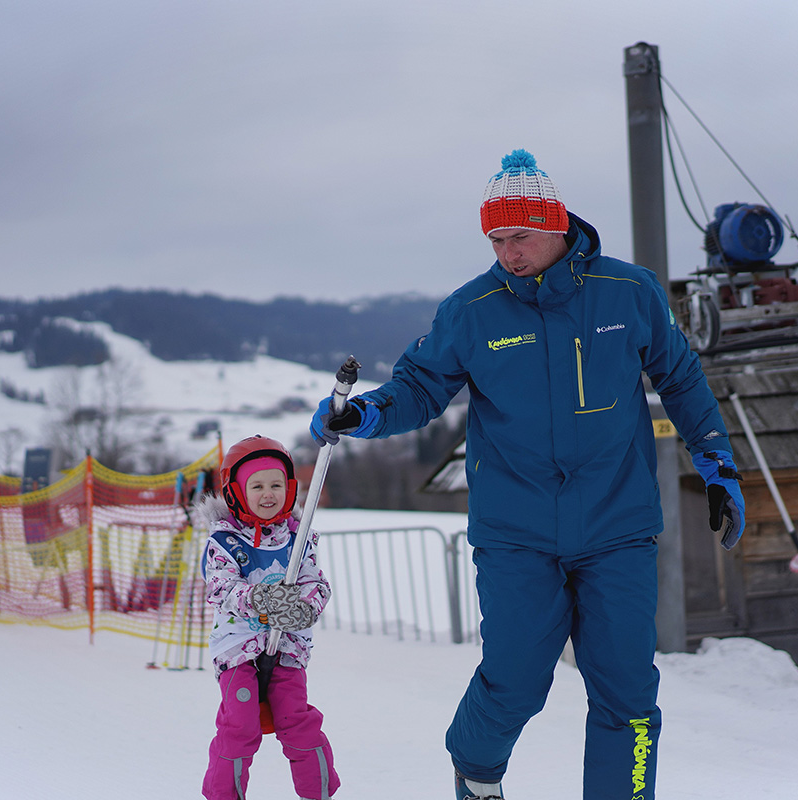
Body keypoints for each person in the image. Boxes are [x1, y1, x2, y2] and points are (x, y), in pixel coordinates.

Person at [310, 150, 744, 800]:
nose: (508, 253)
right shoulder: (472, 309)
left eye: (519, 236)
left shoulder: (630, 292)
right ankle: (477, 772)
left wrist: (716, 462)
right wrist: (366, 414)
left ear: (555, 223)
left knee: (627, 689)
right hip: (516, 530)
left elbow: (680, 378)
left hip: (617, 524)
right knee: (514, 678)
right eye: (496, 240)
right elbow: (420, 387)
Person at [199, 435, 339, 800]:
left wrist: (305, 606)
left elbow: (315, 582)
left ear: (289, 489)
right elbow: (220, 587)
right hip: (239, 650)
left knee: (298, 723)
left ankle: (318, 793)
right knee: (240, 727)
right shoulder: (225, 542)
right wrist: (259, 598)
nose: (268, 494)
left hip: (287, 649)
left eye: (276, 485)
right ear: (236, 492)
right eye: (257, 486)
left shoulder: (298, 539)